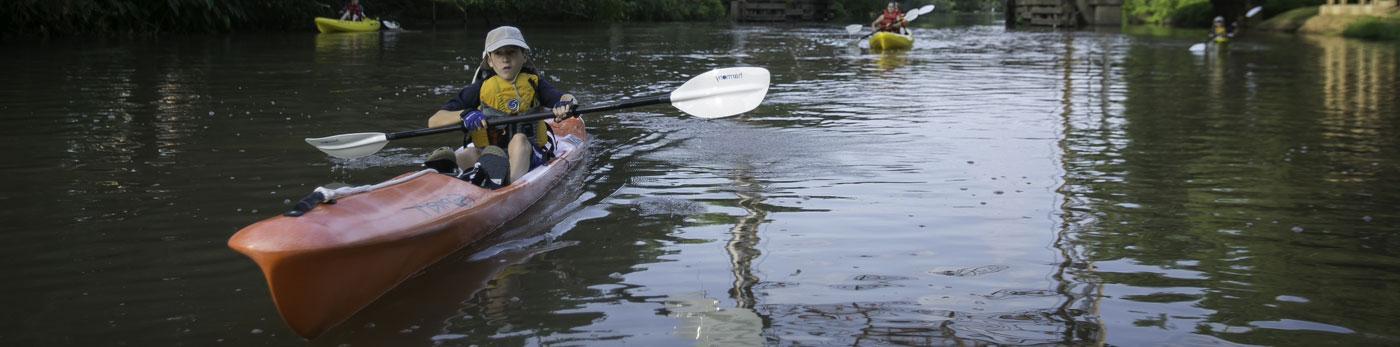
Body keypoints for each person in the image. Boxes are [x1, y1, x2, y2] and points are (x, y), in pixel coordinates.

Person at [426, 26, 577, 186]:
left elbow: (567, 98)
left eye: (511, 52)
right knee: (469, 153)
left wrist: (566, 104)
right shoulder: (479, 88)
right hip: (492, 154)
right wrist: (465, 114)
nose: (505, 59)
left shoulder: (535, 83)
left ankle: (508, 183)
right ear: (490, 60)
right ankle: (444, 174)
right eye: (498, 53)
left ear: (524, 56)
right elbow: (434, 121)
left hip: (530, 153)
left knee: (518, 140)